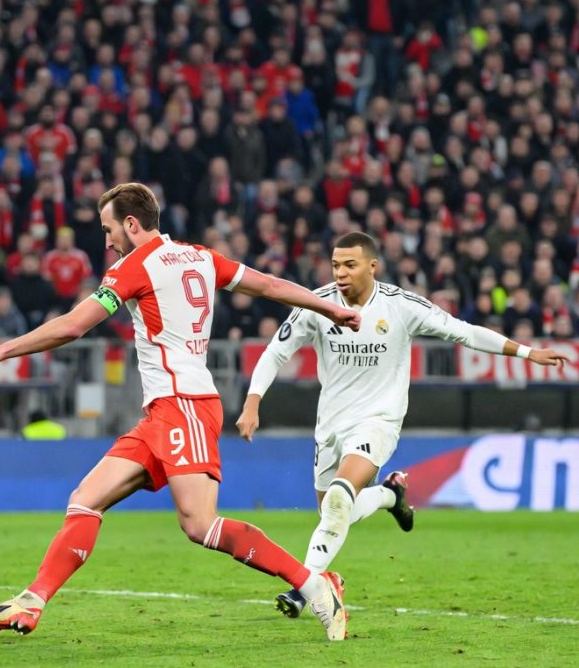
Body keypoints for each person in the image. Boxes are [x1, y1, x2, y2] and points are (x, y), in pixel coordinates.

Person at [0, 183, 362, 641]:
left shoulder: (133, 267)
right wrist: (329, 308)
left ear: (131, 224)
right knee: (85, 499)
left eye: (109, 229)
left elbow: (74, 326)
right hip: (163, 412)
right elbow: (270, 285)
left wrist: (2, 350)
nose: (107, 241)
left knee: (200, 524)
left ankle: (315, 585)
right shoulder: (201, 257)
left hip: (185, 406)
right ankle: (32, 601)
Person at [237, 231, 570, 618]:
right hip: (330, 424)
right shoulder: (317, 304)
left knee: (340, 499)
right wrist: (253, 400)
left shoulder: (400, 306)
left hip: (378, 420)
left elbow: (464, 331)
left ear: (372, 266)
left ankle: (304, 587)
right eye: (335, 265)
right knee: (333, 510)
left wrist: (527, 352)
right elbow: (276, 352)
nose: (340, 273)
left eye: (350, 265)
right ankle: (389, 495)